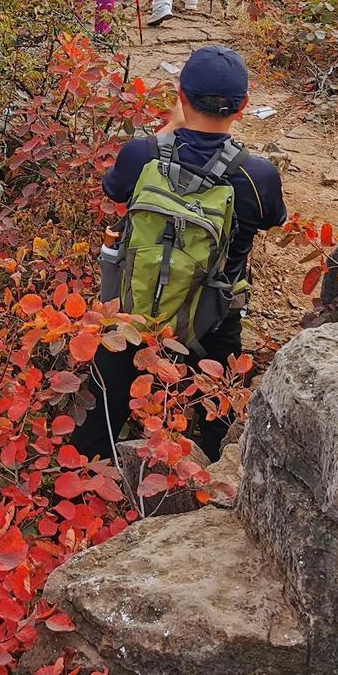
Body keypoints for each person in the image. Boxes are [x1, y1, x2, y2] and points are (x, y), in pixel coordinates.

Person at [71, 44, 286, 462]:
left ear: (180, 96)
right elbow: (271, 218)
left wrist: (170, 128)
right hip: (213, 321)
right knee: (217, 422)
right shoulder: (257, 174)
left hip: (133, 312)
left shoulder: (142, 154)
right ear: (242, 106)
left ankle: (85, 482)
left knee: (98, 420)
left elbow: (113, 190)